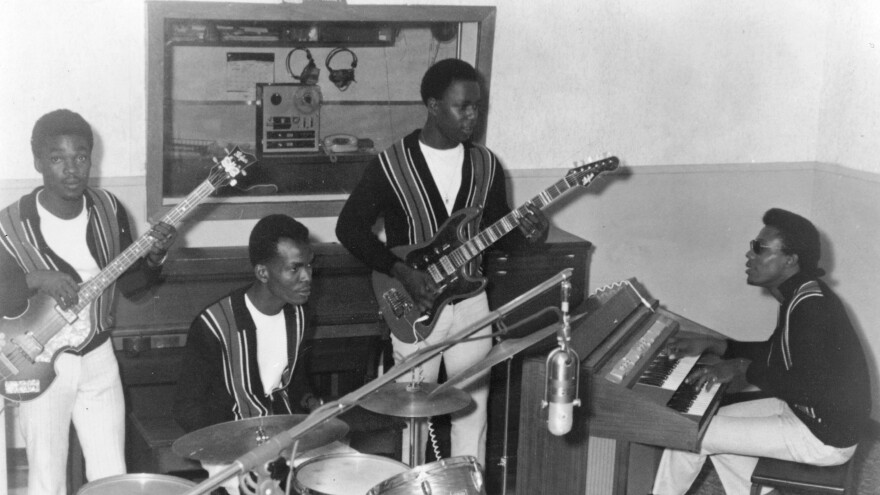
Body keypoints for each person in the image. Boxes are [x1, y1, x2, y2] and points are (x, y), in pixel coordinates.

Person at [335, 58, 549, 466]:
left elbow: (497, 230)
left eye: (477, 107)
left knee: (473, 413)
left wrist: (528, 233)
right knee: (414, 419)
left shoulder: (487, 165)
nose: (473, 116)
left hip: (472, 305)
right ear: (432, 105)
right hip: (414, 305)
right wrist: (401, 271)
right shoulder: (390, 164)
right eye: (462, 106)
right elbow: (349, 229)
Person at [0, 109, 176, 495]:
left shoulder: (108, 208)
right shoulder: (10, 224)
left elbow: (132, 286)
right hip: (41, 361)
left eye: (80, 156)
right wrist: (35, 279)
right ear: (38, 162)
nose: (71, 169)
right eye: (57, 158)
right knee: (46, 477)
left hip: (98, 357)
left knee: (112, 474)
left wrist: (154, 256)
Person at [652, 208, 871, 495]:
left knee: (687, 433)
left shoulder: (810, 306)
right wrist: (715, 344)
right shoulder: (800, 294)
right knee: (703, 426)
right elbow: (776, 352)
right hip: (807, 413)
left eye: (759, 248)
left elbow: (810, 387)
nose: (749, 255)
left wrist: (742, 367)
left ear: (790, 260)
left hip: (823, 435)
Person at [173, 214, 323, 493]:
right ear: (263, 272)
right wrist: (235, 448)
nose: (307, 277)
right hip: (228, 442)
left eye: (310, 266)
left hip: (284, 431)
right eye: (295, 269)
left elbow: (295, 381)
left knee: (342, 469)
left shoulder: (299, 315)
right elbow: (187, 408)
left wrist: (313, 402)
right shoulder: (214, 325)